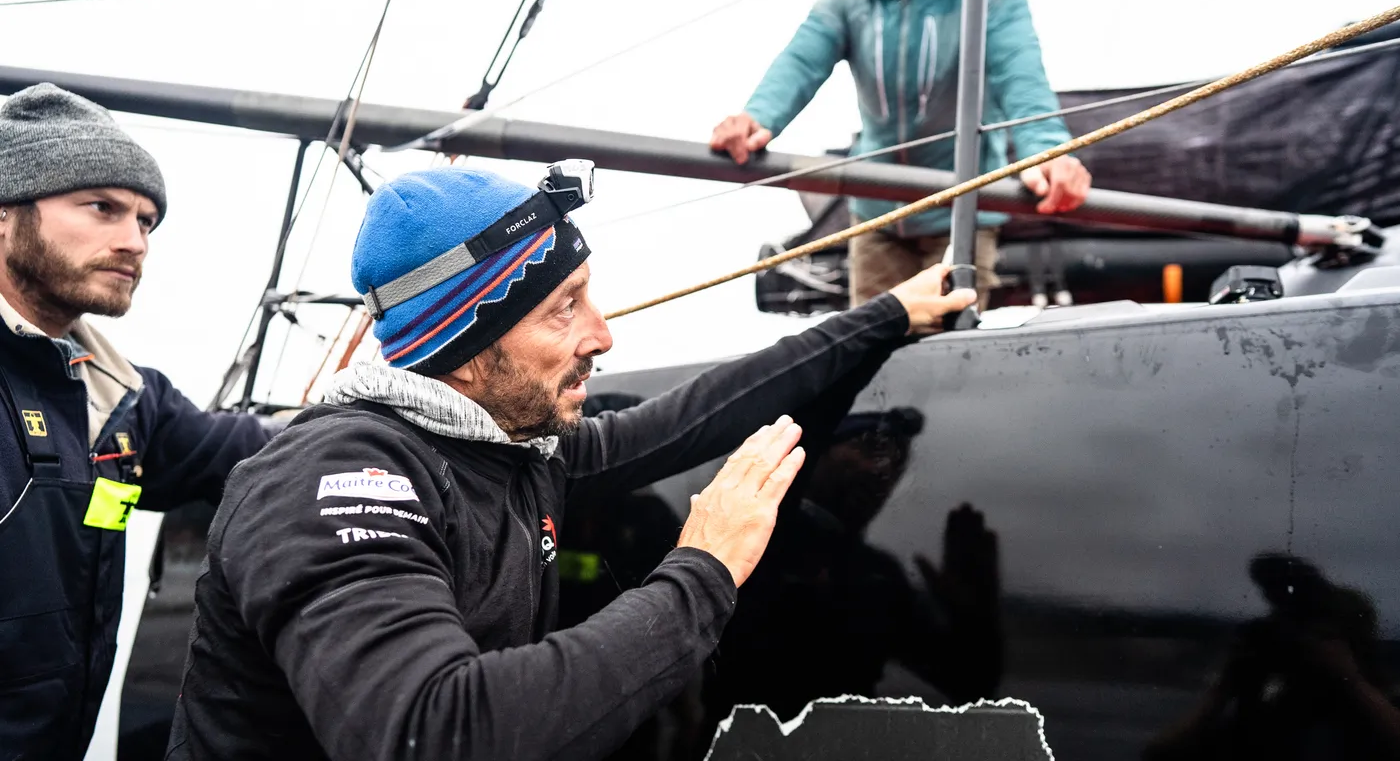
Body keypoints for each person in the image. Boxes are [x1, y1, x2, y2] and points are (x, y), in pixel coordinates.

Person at [164, 161, 978, 761]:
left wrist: (885, 316)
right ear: (465, 348)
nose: (603, 334)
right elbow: (436, 735)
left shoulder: (512, 448)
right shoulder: (331, 478)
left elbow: (696, 416)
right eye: (564, 308)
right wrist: (704, 569)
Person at [0, 83, 273, 760]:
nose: (134, 242)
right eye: (102, 207)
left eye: (147, 222)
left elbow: (258, 450)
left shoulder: (120, 398)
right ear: (5, 214)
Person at [710, 0, 1093, 309]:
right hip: (876, 216)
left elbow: (1020, 73)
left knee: (949, 347)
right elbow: (799, 63)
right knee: (867, 346)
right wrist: (756, 117)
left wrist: (1047, 150)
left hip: (960, 215)